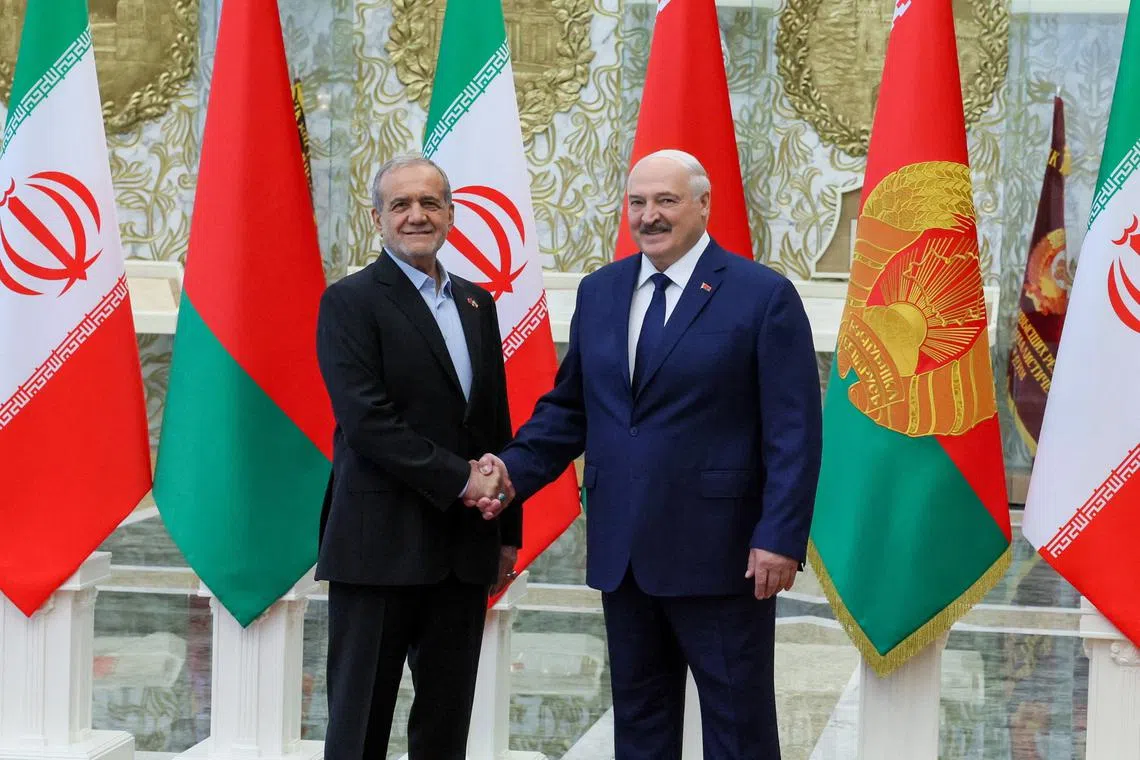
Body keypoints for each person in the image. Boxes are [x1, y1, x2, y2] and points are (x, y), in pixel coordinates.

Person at [473, 149, 822, 759]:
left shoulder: (761, 296)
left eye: (666, 201)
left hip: (723, 556)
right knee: (639, 722)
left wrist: (781, 537)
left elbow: (793, 432)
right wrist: (509, 472)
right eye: (638, 202)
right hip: (625, 555)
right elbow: (570, 410)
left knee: (738, 727)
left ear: (703, 205)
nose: (649, 216)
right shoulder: (602, 291)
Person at [315, 154, 520, 760]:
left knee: (445, 727)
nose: (416, 215)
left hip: (462, 551)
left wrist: (507, 530)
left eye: (429, 203)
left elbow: (493, 424)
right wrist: (463, 481)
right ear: (376, 218)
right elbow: (368, 422)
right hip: (377, 547)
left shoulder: (478, 304)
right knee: (359, 728)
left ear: (451, 215)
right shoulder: (350, 302)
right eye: (400, 204)